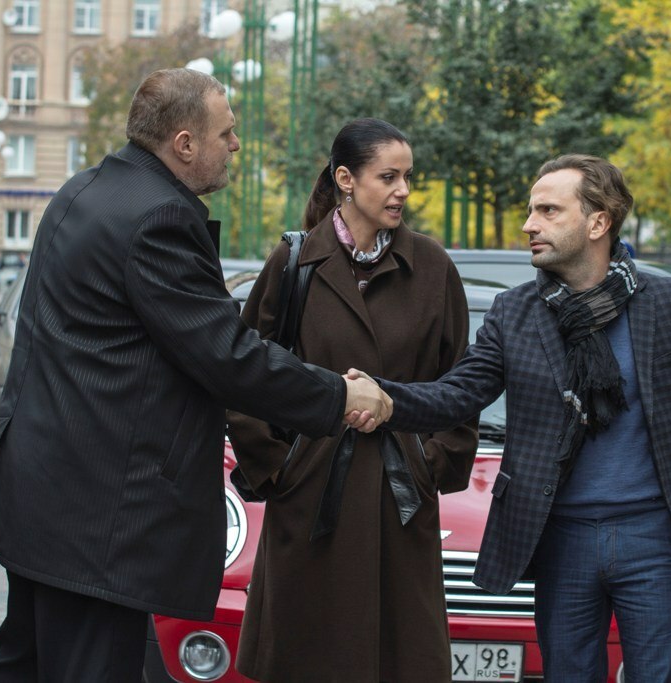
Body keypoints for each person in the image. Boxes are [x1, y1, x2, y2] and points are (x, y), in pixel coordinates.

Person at [0, 69, 391, 683]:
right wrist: (340, 393)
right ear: (184, 143)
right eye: (226, 132)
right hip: (100, 516)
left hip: (44, 493)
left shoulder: (85, 188)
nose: (236, 144)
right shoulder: (158, 217)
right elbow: (227, 355)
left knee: (23, 666)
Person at [356, 154, 671, 682]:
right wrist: (385, 398)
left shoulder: (670, 304)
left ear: (598, 223)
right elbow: (458, 394)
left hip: (655, 536)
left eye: (548, 211)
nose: (530, 224)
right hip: (560, 538)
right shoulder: (516, 311)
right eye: (532, 210)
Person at [227, 118, 478, 682]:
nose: (403, 191)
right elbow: (243, 374)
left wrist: (431, 463)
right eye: (388, 177)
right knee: (308, 659)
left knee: (399, 660)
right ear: (346, 179)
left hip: (400, 497)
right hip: (311, 496)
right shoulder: (294, 262)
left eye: (408, 177)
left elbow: (462, 382)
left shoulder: (433, 266)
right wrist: (279, 469)